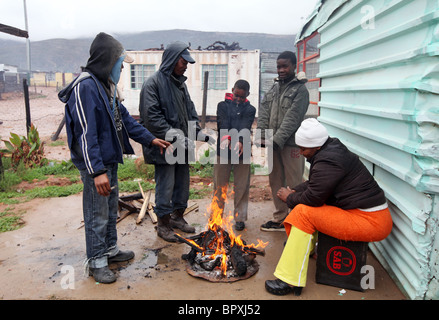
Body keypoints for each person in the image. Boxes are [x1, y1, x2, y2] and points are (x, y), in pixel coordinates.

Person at [59, 32, 171, 284]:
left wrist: (150, 138)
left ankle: (110, 251)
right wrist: (97, 171)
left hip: (109, 158)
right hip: (95, 164)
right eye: (120, 65)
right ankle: (97, 261)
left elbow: (126, 120)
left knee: (110, 208)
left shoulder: (106, 87)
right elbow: (86, 133)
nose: (121, 70)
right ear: (108, 63)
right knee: (96, 212)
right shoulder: (86, 87)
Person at [265, 118, 393, 296]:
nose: (300, 152)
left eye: (303, 149)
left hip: (370, 221)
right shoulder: (330, 149)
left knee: (303, 212)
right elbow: (317, 183)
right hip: (366, 215)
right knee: (306, 208)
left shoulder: (329, 160)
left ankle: (289, 279)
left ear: (317, 146)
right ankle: (305, 249)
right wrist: (296, 190)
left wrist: (290, 197)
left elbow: (314, 197)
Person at [139, 41, 214, 242]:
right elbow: (152, 118)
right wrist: (176, 136)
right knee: (166, 185)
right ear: (172, 60)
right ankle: (163, 225)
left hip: (182, 146)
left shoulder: (180, 84)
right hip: (165, 146)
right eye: (183, 61)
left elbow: (190, 111)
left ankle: (178, 217)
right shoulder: (152, 84)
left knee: (182, 183)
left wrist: (198, 133)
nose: (186, 65)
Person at [256, 51, 309, 232]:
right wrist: (262, 136)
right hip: (273, 143)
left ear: (294, 66)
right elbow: (264, 111)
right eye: (279, 66)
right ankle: (280, 219)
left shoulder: (300, 90)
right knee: (275, 181)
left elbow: (292, 119)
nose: (281, 70)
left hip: (292, 145)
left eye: (285, 66)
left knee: (295, 183)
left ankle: (296, 221)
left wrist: (276, 140)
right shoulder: (274, 88)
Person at [214, 80, 256, 231]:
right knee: (219, 184)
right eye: (236, 95)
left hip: (242, 149)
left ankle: (240, 218)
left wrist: (240, 141)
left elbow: (246, 124)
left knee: (242, 186)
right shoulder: (222, 106)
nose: (238, 99)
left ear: (247, 95)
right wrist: (228, 138)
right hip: (224, 148)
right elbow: (222, 123)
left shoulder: (251, 109)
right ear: (232, 90)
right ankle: (216, 215)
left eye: (242, 97)